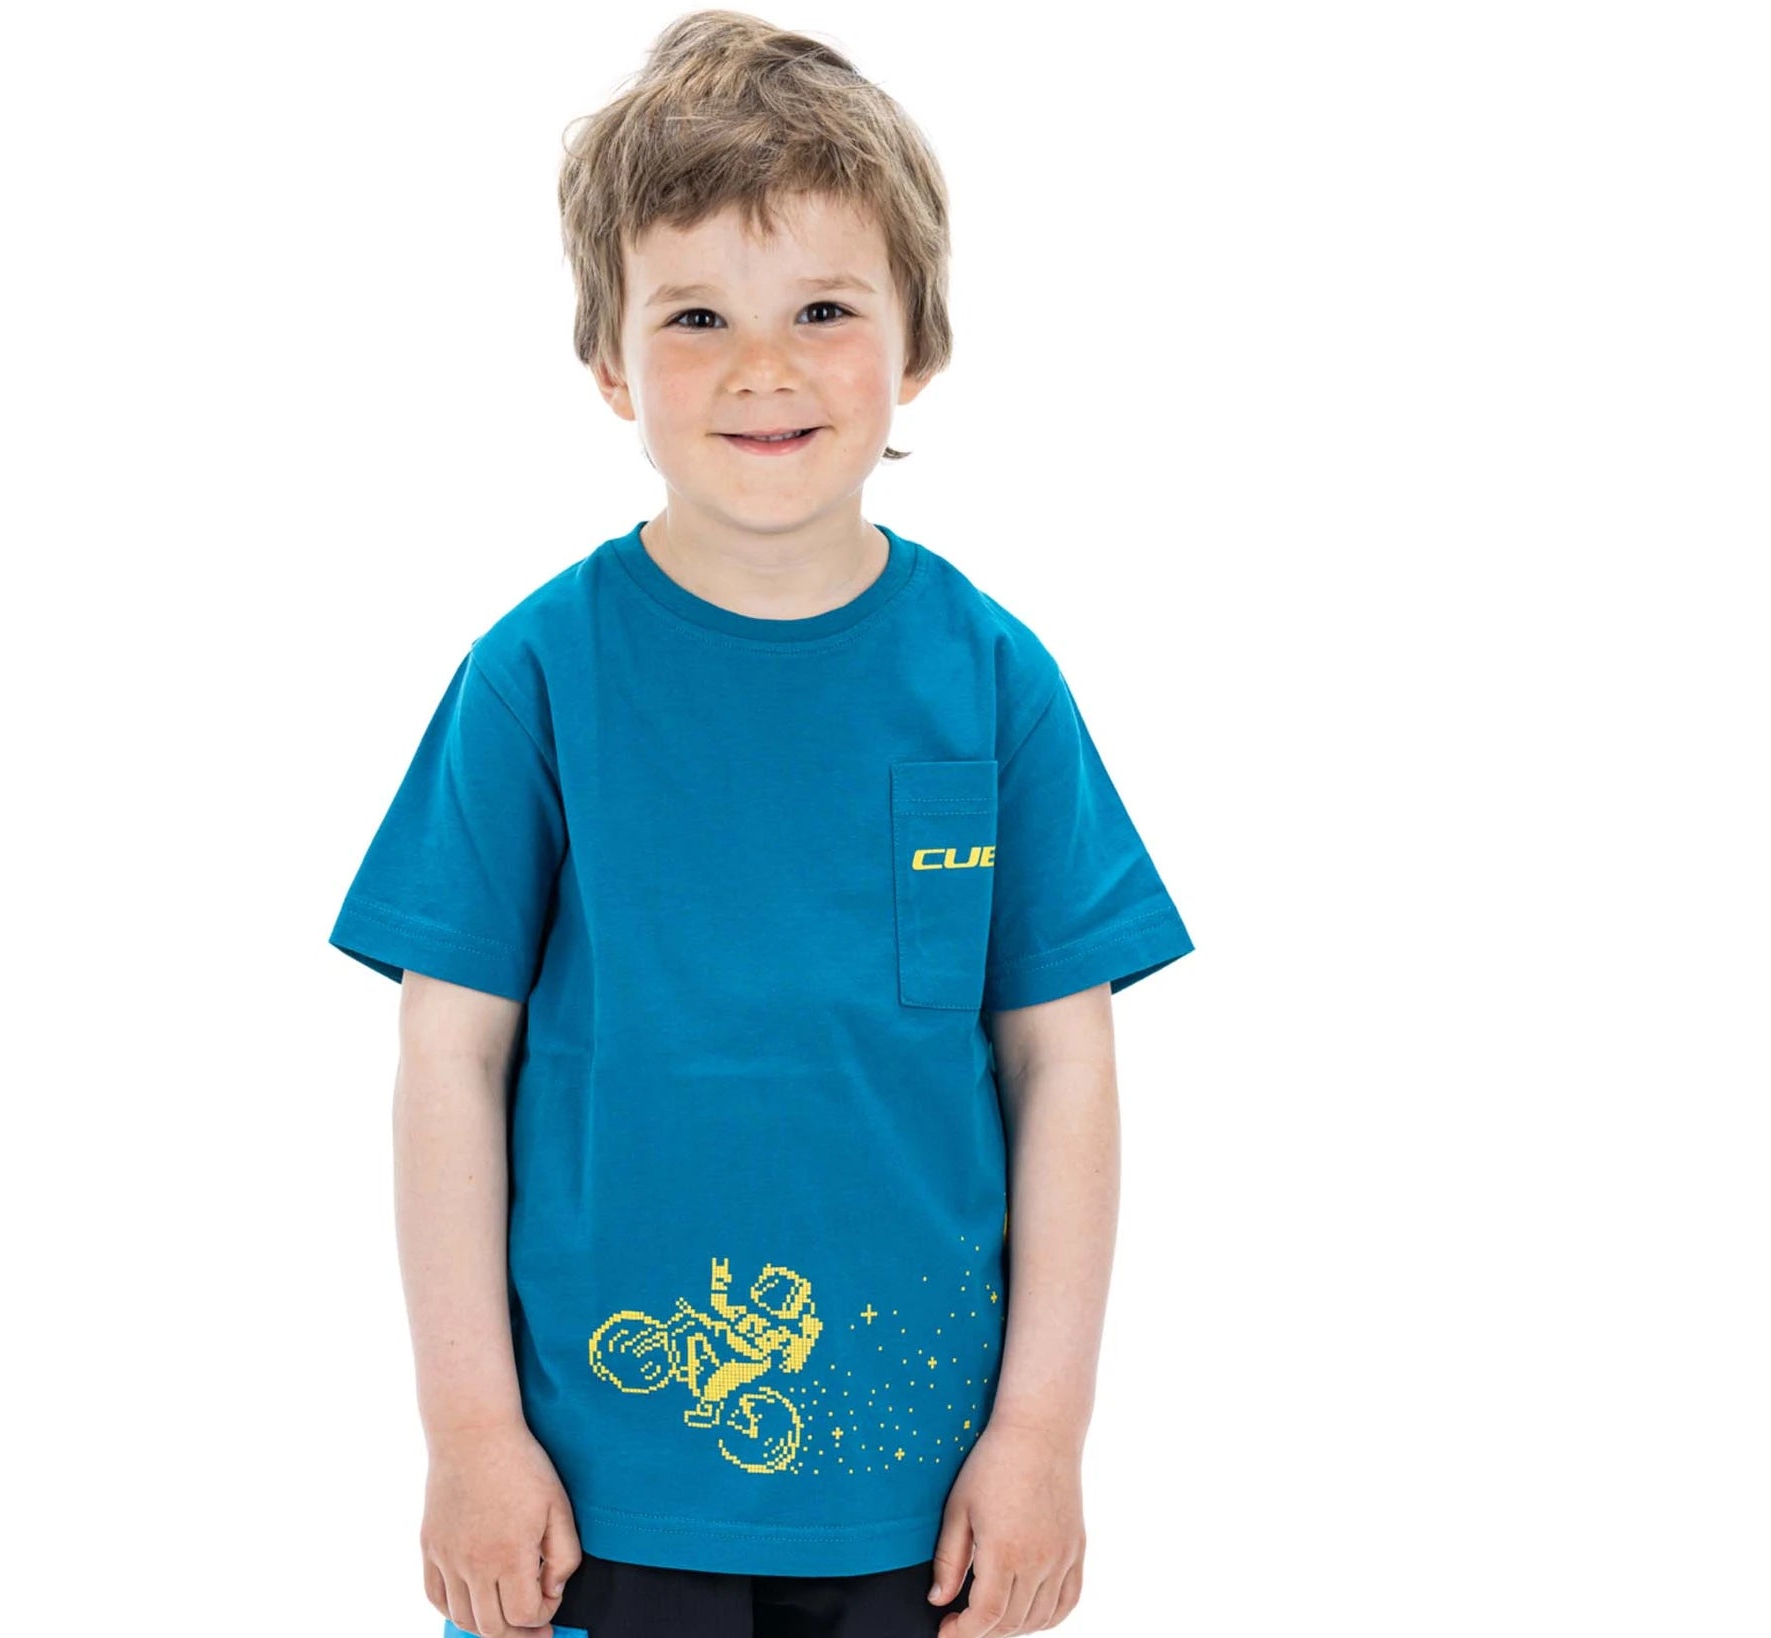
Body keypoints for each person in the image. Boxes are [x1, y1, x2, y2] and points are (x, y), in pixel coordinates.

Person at [328, 12, 1195, 1636]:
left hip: (920, 1500)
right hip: (595, 1490)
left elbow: (1063, 1063)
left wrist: (1042, 1435)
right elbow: (448, 1056)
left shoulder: (995, 682)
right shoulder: (536, 679)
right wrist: (469, 1433)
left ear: (918, 342)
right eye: (697, 316)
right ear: (609, 362)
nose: (763, 367)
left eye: (822, 309)